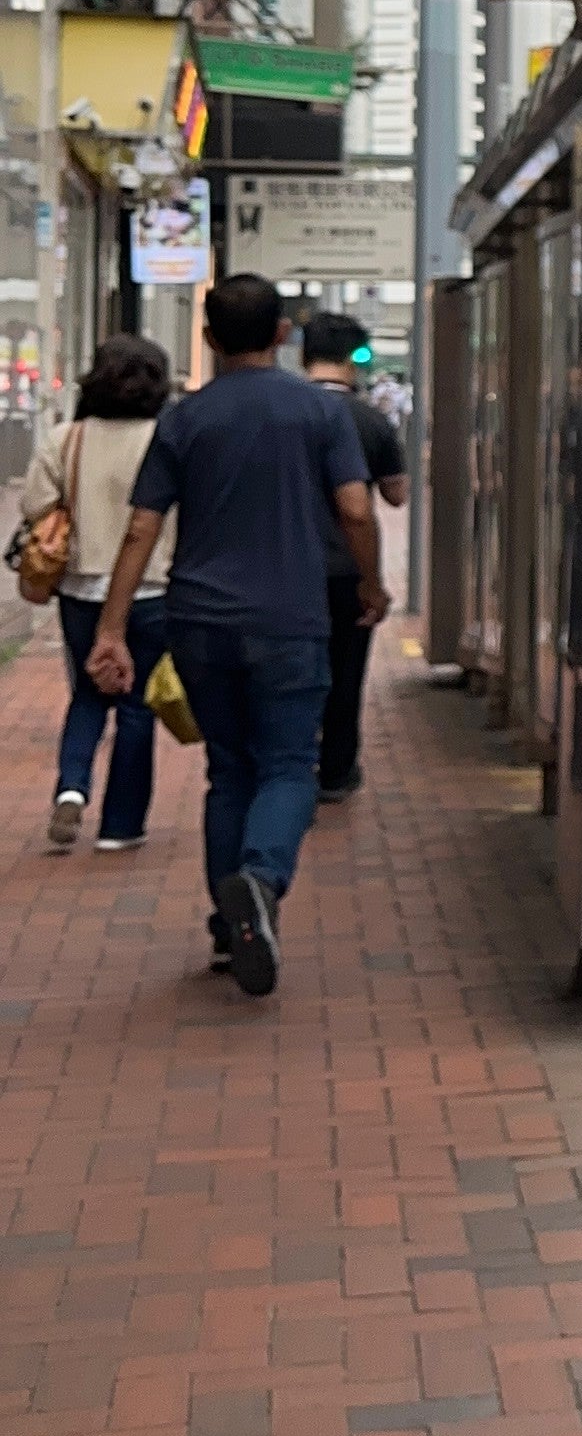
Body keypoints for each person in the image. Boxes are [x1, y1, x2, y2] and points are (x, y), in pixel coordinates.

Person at [89, 269, 384, 999]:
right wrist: (371, 584)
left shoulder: (185, 419)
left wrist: (112, 628)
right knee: (288, 766)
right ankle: (260, 878)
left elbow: (141, 527)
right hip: (290, 618)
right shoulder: (319, 415)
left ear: (213, 339)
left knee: (229, 769)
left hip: (198, 621)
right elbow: (354, 507)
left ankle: (229, 935)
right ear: (282, 334)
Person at [22, 333, 178, 853]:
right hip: (154, 588)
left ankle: (71, 788)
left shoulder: (68, 439)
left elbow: (35, 506)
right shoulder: (170, 437)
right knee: (137, 706)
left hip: (82, 588)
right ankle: (121, 826)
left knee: (89, 692)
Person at [299, 312, 409, 798]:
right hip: (346, 567)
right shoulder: (370, 418)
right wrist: (374, 582)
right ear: (355, 359)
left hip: (283, 564)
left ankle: (290, 763)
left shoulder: (286, 411)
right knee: (345, 671)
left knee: (291, 671)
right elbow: (395, 496)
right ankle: (338, 770)